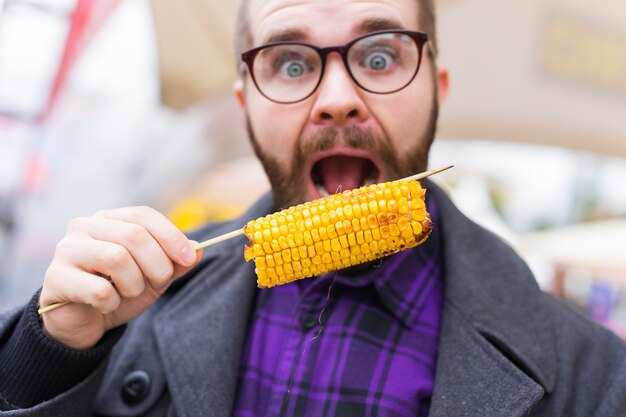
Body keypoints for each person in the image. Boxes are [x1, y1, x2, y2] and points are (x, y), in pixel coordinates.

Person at [1, 0, 625, 415]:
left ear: (437, 93)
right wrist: (49, 351)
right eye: (291, 63)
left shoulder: (593, 376)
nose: (336, 98)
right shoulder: (138, 295)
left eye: (379, 56)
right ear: (245, 103)